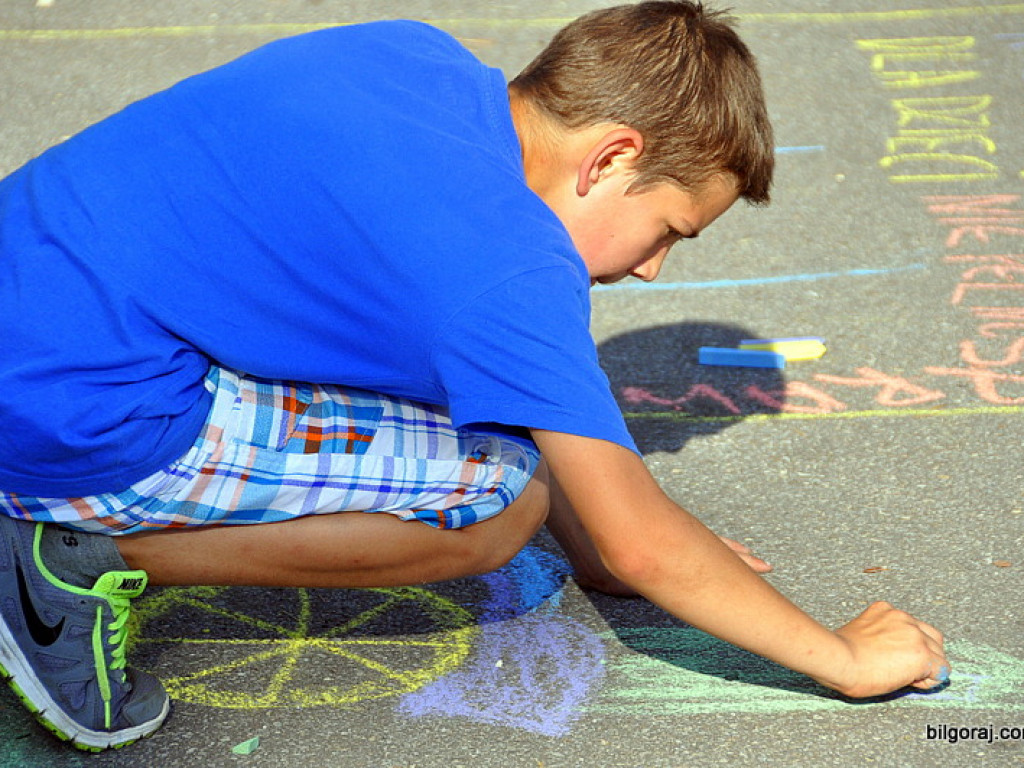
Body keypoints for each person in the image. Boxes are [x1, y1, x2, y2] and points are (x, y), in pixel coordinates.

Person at [0, 1, 948, 752]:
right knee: (500, 499)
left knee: (501, 441)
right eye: (669, 229)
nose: (655, 266)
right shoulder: (509, 268)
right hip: (75, 417)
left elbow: (598, 521)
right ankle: (65, 564)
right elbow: (640, 547)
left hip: (38, 313)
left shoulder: (415, 58)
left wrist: (613, 553)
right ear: (613, 157)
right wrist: (843, 659)